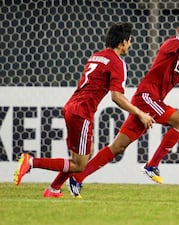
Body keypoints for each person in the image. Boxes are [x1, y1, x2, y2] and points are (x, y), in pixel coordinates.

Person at [67, 17, 179, 197]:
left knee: (118, 147)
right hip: (147, 97)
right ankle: (152, 166)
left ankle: (78, 178)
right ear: (178, 31)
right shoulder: (172, 43)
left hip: (150, 100)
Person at [13, 22, 155, 198]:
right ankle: (32, 162)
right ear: (122, 42)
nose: (130, 44)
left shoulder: (96, 56)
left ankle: (53, 189)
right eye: (130, 40)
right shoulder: (117, 62)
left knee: (86, 153)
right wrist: (140, 113)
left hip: (72, 106)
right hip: (82, 112)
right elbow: (117, 97)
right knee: (79, 164)